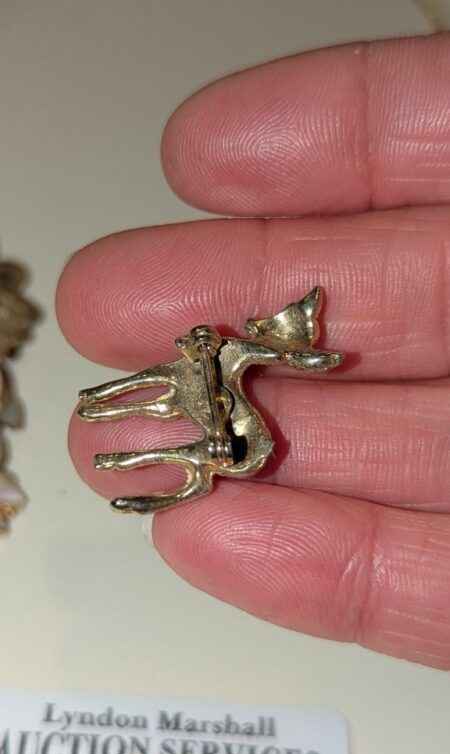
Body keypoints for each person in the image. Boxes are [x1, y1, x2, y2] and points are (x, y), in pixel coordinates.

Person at [56, 34, 450, 671]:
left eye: (275, 328)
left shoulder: (248, 353)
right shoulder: (224, 351)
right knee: (173, 399)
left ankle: (142, 466)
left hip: (242, 438)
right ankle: (113, 414)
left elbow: (295, 360)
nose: (261, 329)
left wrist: (310, 360)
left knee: (198, 451)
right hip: (219, 406)